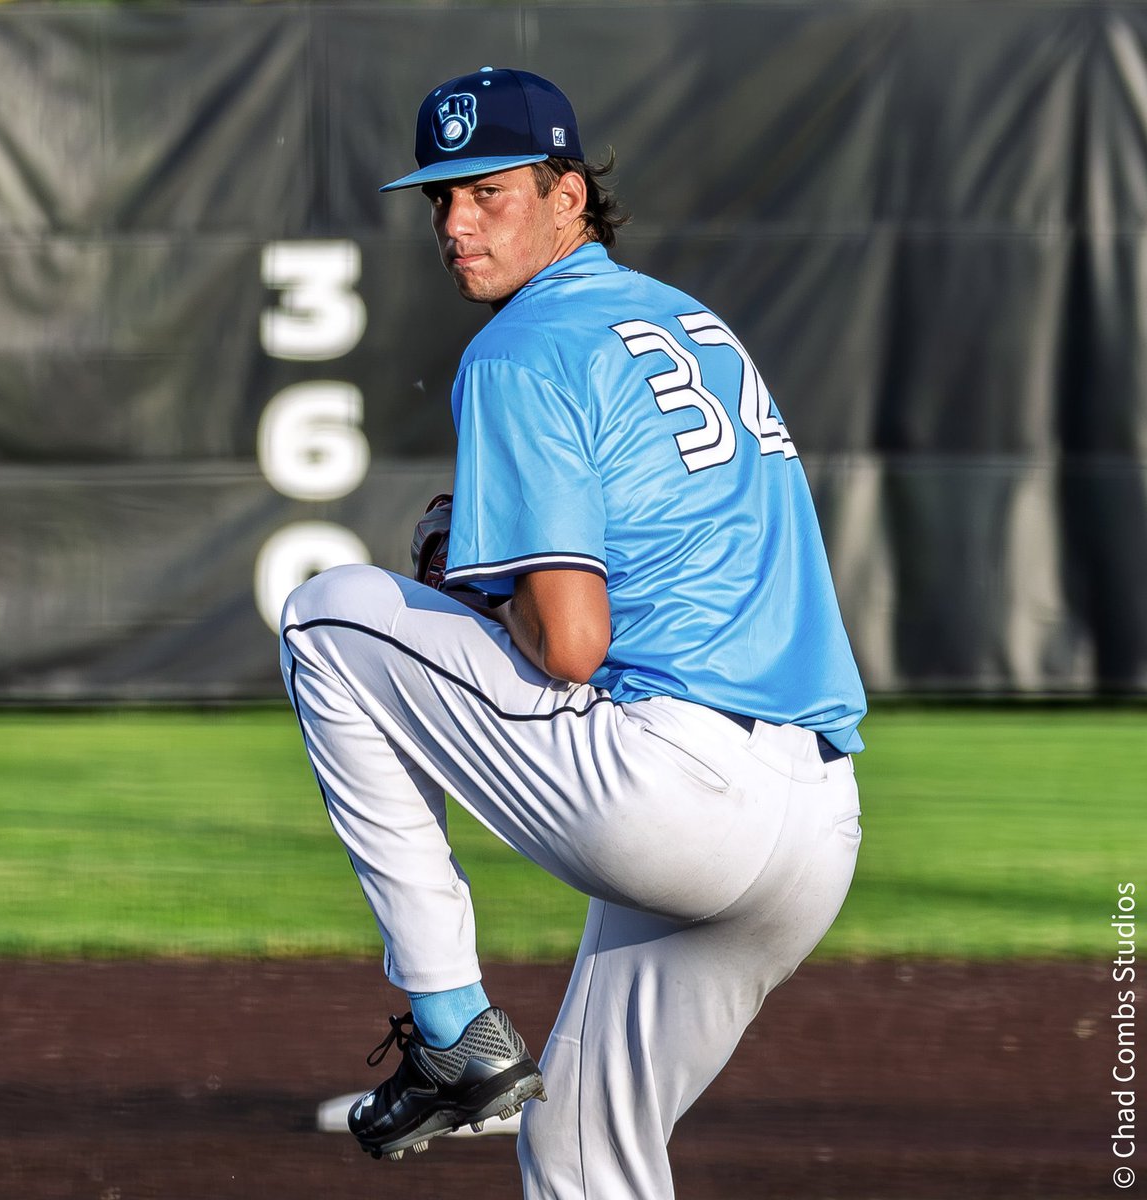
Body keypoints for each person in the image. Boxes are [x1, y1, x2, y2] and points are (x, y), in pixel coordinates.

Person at [280, 65, 866, 1200]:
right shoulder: (689, 320)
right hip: (818, 826)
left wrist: (478, 587)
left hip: (676, 791)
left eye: (487, 192)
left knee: (323, 619)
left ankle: (450, 1026)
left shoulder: (519, 347)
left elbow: (571, 645)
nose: (456, 225)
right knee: (580, 1153)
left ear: (568, 196)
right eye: (439, 198)